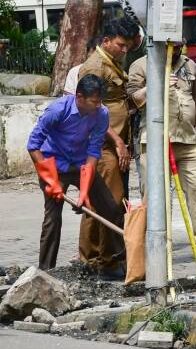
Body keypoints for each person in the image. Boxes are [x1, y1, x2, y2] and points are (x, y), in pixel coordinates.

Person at [128, 42, 196, 264]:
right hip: (154, 141)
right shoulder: (142, 65)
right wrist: (156, 84)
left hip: (189, 140)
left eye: (180, 44)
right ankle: (159, 252)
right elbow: (133, 102)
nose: (177, 48)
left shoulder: (189, 65)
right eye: (173, 44)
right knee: (156, 198)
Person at [28, 74, 124, 270]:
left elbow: (93, 151)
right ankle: (46, 271)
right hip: (53, 164)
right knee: (53, 218)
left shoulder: (101, 114)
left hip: (81, 162)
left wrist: (84, 192)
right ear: (79, 97)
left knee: (111, 208)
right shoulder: (57, 110)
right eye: (94, 101)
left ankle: (116, 262)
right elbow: (33, 145)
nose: (98, 106)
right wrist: (51, 181)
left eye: (100, 101)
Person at [76, 19, 135, 279]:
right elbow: (90, 111)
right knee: (109, 203)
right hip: (102, 146)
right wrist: (118, 141)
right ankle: (103, 260)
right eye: (121, 45)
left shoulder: (112, 62)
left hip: (116, 143)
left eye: (127, 46)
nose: (124, 50)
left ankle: (95, 259)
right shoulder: (94, 67)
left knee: (105, 201)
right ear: (106, 41)